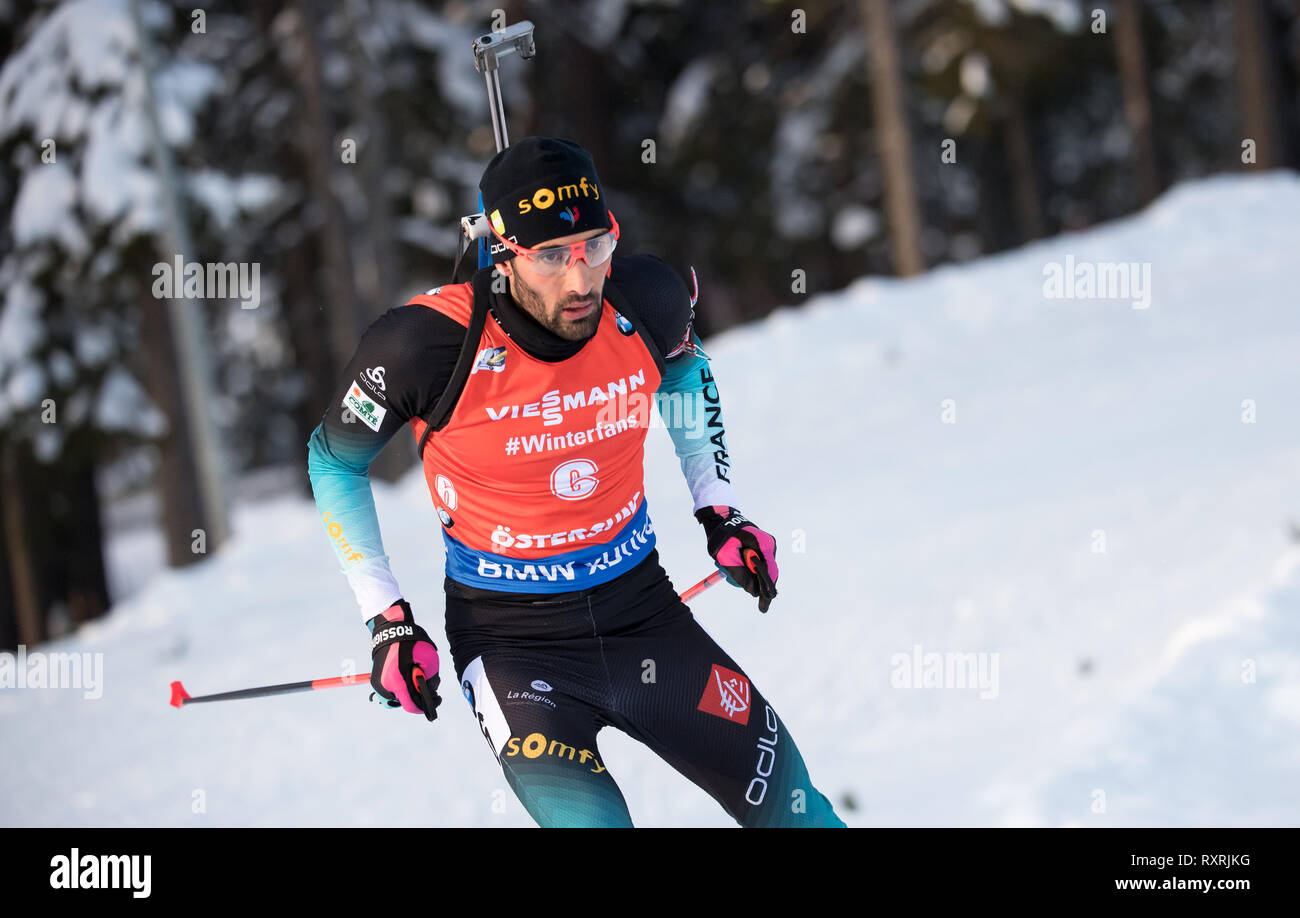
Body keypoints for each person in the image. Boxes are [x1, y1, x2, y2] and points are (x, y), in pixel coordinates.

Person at [307, 137, 843, 828]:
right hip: (511, 648)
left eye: (595, 245)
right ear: (502, 253)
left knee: (798, 813)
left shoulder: (646, 300)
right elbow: (333, 460)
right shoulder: (424, 346)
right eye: (552, 256)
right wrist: (386, 620)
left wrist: (719, 511)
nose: (581, 278)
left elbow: (684, 371)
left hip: (645, 619)